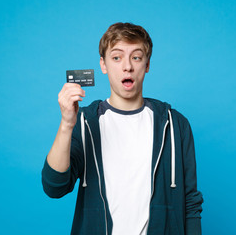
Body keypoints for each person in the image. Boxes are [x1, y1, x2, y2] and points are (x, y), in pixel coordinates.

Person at [42, 22, 203, 235]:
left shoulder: (175, 124)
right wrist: (66, 124)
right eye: (116, 57)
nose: (127, 66)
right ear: (103, 64)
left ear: (146, 65)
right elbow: (54, 187)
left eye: (136, 57)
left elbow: (190, 203)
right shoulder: (85, 122)